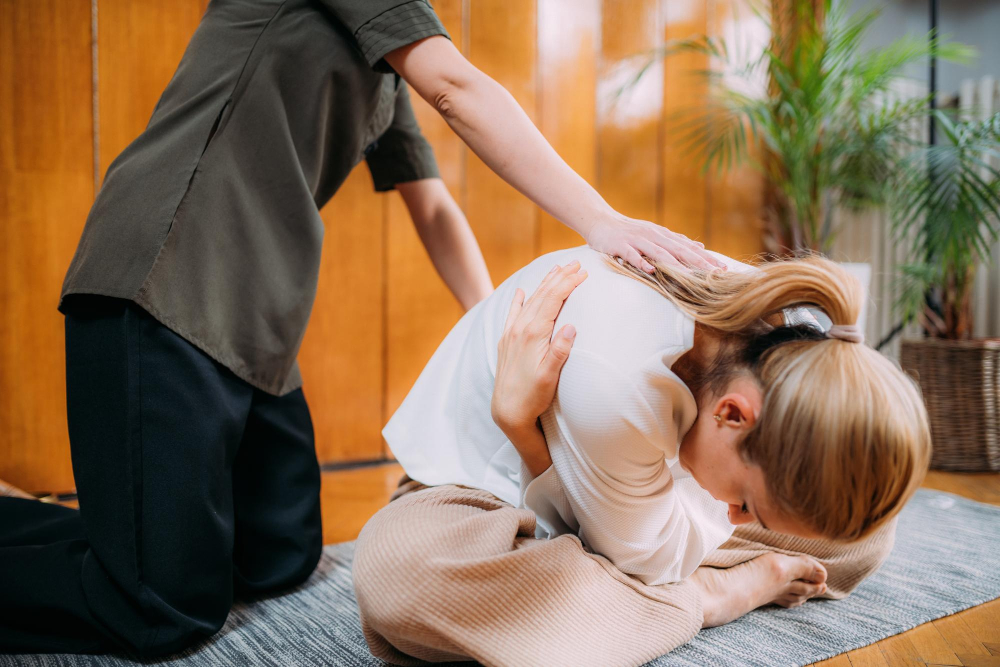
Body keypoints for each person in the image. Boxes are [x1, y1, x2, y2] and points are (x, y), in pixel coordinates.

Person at [0, 0, 725, 658]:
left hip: (256, 331)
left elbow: (432, 205)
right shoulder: (397, 38)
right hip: (166, 277)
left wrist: (503, 335)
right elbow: (457, 88)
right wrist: (603, 222)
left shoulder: (382, 63)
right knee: (162, 608)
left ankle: (115, 540)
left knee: (279, 558)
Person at [351, 245, 931, 666]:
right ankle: (708, 595)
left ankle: (611, 604)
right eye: (748, 502)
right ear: (733, 414)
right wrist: (522, 431)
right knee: (403, 577)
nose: (737, 518)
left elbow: (641, 540)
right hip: (483, 490)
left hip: (622, 501)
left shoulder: (790, 340)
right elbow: (647, 561)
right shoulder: (618, 385)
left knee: (863, 536)